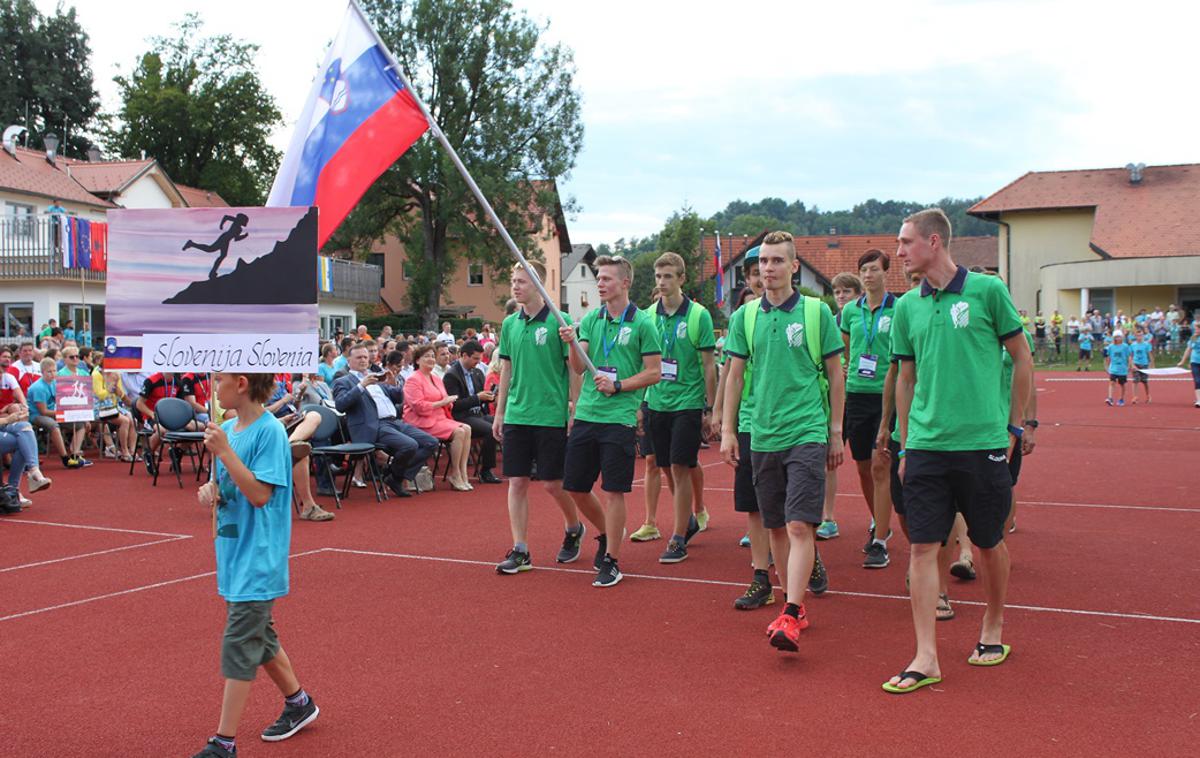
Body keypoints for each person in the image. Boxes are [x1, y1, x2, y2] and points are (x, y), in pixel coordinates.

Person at [884, 208, 1031, 694]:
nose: (899, 252)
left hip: (983, 444)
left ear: (934, 242)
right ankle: (926, 656)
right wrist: (905, 443)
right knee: (923, 546)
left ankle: (992, 625)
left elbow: (1022, 357)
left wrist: (1014, 425)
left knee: (988, 543)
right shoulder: (906, 307)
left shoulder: (988, 292)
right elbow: (905, 379)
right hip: (926, 446)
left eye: (905, 243)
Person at [720, 231, 844, 652]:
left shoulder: (816, 313)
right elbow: (734, 377)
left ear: (794, 267)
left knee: (798, 523)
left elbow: (835, 374)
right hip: (763, 433)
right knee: (774, 524)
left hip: (806, 430)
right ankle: (795, 604)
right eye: (763, 262)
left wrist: (835, 431)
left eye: (777, 261)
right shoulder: (745, 317)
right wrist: (727, 431)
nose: (768, 268)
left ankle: (791, 611)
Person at [192, 373, 320, 758]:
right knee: (258, 634)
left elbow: (261, 494)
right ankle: (299, 704)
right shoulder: (228, 427)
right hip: (233, 551)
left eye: (221, 379)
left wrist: (225, 452)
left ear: (242, 383)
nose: (215, 386)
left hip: (258, 555)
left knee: (240, 639)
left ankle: (223, 743)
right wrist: (210, 490)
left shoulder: (269, 432)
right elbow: (228, 488)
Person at [560, 255, 662, 588]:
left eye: (606, 278)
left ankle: (613, 560)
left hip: (618, 418)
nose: (600, 283)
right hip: (588, 414)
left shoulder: (643, 323)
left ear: (625, 283)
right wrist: (573, 341)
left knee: (614, 491)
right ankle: (605, 533)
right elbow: (577, 366)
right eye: (598, 278)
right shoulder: (591, 319)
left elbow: (654, 372)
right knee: (574, 486)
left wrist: (619, 385)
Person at [492, 261, 593, 573]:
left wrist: (575, 407)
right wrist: (500, 411)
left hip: (550, 413)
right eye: (514, 280)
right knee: (517, 481)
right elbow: (506, 368)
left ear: (538, 284)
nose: (516, 286)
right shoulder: (509, 323)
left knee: (552, 483)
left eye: (522, 281)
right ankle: (521, 549)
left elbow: (572, 369)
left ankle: (574, 527)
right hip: (518, 413)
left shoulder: (559, 322)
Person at [712, 249, 785, 609]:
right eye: (754, 272)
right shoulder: (743, 317)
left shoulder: (805, 314)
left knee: (788, 503)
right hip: (750, 421)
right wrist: (722, 416)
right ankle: (761, 576)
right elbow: (731, 372)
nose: (760, 277)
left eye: (766, 268)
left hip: (791, 423)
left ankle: (805, 555)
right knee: (754, 504)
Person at [639, 252, 716, 564]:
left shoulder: (699, 315)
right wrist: (641, 402)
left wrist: (710, 408)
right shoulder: (647, 315)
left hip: (687, 401)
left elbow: (710, 366)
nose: (662, 282)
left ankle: (678, 535)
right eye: (658, 276)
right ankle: (687, 521)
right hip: (656, 400)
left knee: (681, 466)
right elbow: (643, 362)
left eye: (668, 276)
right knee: (665, 466)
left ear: (682, 279)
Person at [839, 250, 899, 569]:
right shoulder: (851, 311)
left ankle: (880, 540)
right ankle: (879, 520)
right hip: (856, 395)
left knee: (881, 466)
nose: (868, 275)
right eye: (864, 270)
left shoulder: (899, 308)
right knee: (862, 466)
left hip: (886, 395)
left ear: (885, 273)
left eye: (874, 269)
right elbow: (847, 348)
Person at [332, 344, 438, 498]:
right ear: (349, 361)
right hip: (373, 425)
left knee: (431, 442)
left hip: (395, 422)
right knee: (410, 445)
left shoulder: (377, 376)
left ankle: (394, 475)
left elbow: (398, 398)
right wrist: (362, 385)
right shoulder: (344, 381)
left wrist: (393, 383)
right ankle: (395, 475)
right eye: (359, 357)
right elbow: (341, 405)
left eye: (365, 357)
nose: (363, 360)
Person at [816, 272, 862, 541]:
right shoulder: (829, 322)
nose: (842, 297)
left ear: (857, 295)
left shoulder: (863, 318)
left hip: (860, 394)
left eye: (847, 292)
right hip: (831, 398)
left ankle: (877, 516)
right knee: (827, 461)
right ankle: (828, 517)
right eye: (837, 292)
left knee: (868, 463)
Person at [403, 344, 474, 491]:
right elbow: (418, 407)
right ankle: (455, 473)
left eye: (431, 356)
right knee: (460, 431)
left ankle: (462, 473)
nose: (430, 359)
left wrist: (449, 403)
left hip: (439, 418)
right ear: (417, 361)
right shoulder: (413, 380)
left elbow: (444, 400)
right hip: (421, 421)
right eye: (426, 356)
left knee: (467, 428)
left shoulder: (436, 378)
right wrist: (442, 402)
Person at [442, 340, 501, 484]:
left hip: (477, 415)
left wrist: (490, 396)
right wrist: (477, 398)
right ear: (463, 356)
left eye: (479, 358)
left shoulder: (477, 372)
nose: (478, 362)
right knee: (490, 430)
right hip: (461, 418)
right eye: (475, 358)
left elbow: (481, 398)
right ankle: (486, 470)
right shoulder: (451, 376)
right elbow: (454, 405)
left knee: (502, 423)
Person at [27, 358, 77, 468]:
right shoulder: (38, 387)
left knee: (80, 424)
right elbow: (43, 411)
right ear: (42, 372)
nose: (53, 374)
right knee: (53, 425)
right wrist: (62, 413)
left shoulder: (56, 383)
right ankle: (65, 458)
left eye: (54, 371)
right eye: (49, 371)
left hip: (53, 412)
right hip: (36, 415)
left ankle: (75, 454)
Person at [55, 348, 93, 467]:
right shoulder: (60, 374)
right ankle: (75, 454)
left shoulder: (84, 374)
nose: (75, 359)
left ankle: (75, 452)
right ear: (65, 359)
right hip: (65, 410)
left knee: (83, 424)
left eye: (77, 356)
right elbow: (59, 396)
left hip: (80, 409)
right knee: (80, 426)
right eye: (72, 357)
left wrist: (87, 417)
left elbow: (87, 396)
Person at [93, 363, 135, 461]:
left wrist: (118, 390)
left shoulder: (116, 374)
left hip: (113, 406)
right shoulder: (96, 375)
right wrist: (110, 386)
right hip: (99, 407)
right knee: (125, 421)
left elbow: (120, 394)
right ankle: (125, 451)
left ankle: (132, 450)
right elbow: (100, 395)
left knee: (132, 419)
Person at [1105, 330, 1132, 407]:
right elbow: (1108, 357)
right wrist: (1107, 367)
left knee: (1122, 384)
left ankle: (1121, 398)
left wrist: (1130, 365)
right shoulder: (1111, 346)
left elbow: (1129, 356)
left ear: (1122, 337)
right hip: (1114, 368)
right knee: (1111, 382)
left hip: (1122, 368)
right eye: (1116, 337)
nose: (1117, 338)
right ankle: (1110, 398)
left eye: (1119, 337)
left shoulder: (1125, 346)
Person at [1176, 330, 1200, 407]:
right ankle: (1199, 400)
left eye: (1198, 329)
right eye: (1195, 329)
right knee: (1197, 380)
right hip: (1194, 361)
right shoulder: (1193, 338)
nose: (1196, 330)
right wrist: (1182, 361)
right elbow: (1188, 350)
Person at [1130, 331, 1153, 404]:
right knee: (1135, 381)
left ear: (1143, 336)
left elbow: (1150, 355)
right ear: (1135, 336)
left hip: (1144, 364)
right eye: (1137, 336)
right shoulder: (1133, 345)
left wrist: (1151, 365)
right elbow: (1130, 356)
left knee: (1144, 381)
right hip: (1136, 364)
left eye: (1140, 335)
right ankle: (1135, 396)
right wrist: (1132, 365)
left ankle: (1148, 395)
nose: (1139, 337)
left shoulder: (1146, 345)